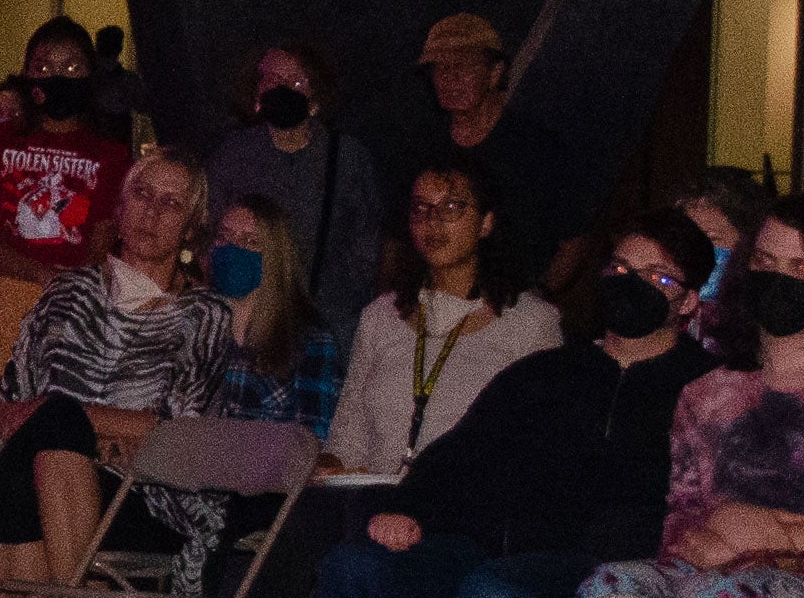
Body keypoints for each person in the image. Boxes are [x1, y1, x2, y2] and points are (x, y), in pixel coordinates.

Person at [313, 209, 717, 598]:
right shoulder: (546, 372)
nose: (632, 285)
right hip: (490, 549)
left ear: (688, 301)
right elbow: (460, 455)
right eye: (621, 270)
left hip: (612, 570)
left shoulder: (708, 390)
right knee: (355, 570)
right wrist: (407, 508)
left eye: (658, 278)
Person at [573, 196, 804, 598]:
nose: (779, 279)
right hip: (714, 568)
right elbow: (682, 517)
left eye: (800, 267)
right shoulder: (707, 394)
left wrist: (772, 534)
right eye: (765, 262)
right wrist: (712, 544)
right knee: (608, 591)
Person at [0, 148, 237, 596]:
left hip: (144, 493)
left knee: (55, 422)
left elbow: (173, 427)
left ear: (190, 228)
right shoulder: (69, 293)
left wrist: (59, 419)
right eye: (143, 195)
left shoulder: (204, 315)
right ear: (121, 207)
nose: (151, 212)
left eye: (170, 204)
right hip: (31, 472)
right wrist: (46, 422)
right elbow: (2, 405)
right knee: (29, 456)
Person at [0, 17, 131, 585]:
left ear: (91, 75)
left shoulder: (112, 157)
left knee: (49, 430)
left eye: (72, 66)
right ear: (25, 72)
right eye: (44, 65)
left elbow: (104, 237)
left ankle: (42, 573)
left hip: (71, 307)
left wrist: (67, 287)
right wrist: (34, 272)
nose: (57, 77)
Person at [326, 159, 562, 477]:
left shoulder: (532, 323)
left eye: (451, 207)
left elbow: (539, 449)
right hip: (376, 506)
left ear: (486, 223)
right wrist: (326, 469)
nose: (432, 221)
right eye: (420, 208)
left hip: (465, 512)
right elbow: (346, 440)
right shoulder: (380, 316)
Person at [391, 13, 591, 297]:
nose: (450, 78)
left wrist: (537, 301)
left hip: (511, 310)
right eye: (441, 68)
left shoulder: (537, 149)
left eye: (463, 66)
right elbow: (396, 237)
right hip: (434, 307)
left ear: (495, 72)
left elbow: (574, 239)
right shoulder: (420, 149)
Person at [205, 42, 383, 346]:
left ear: (316, 97)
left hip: (325, 327)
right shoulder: (234, 154)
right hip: (245, 327)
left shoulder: (347, 158)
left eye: (296, 81)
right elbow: (207, 234)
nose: (282, 88)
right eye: (272, 79)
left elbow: (367, 250)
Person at [206, 197, 342, 437]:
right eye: (223, 237)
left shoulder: (308, 340)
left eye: (251, 242)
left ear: (275, 257)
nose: (233, 248)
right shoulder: (196, 325)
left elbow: (309, 438)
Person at [674, 166, 770, 364]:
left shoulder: (763, 315)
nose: (695, 249)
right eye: (686, 238)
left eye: (710, 239)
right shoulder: (671, 297)